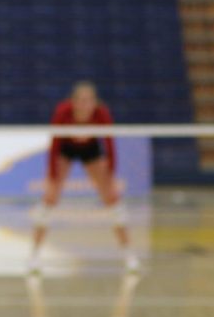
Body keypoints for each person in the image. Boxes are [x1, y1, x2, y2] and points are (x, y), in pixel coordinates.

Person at [30, 81, 138, 273]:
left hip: (91, 151)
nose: (84, 105)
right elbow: (54, 142)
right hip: (65, 149)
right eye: (80, 100)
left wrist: (110, 173)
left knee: (112, 199)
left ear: (95, 103)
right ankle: (34, 256)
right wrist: (52, 173)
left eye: (88, 101)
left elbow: (109, 142)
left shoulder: (101, 113)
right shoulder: (63, 111)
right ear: (73, 101)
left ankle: (129, 255)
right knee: (49, 199)